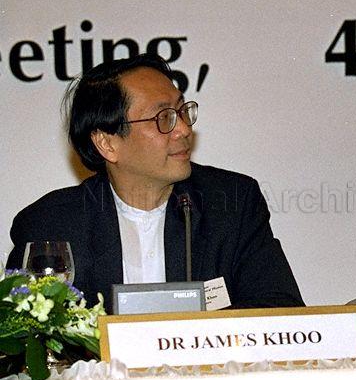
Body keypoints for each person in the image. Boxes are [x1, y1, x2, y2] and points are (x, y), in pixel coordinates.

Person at [7, 53, 304, 312]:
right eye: (164, 118)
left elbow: (280, 307)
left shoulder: (231, 202)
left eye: (183, 112)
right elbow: (30, 337)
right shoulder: (51, 225)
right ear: (107, 143)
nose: (184, 130)